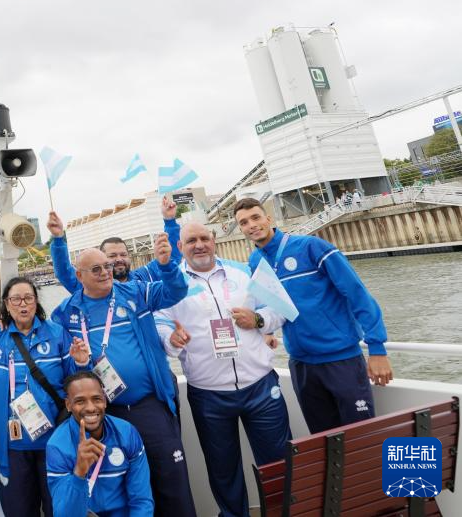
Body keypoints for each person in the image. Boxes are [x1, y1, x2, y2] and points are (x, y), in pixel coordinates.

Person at [153, 222, 291, 517]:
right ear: (180, 247)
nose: (199, 244)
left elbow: (281, 308)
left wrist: (258, 320)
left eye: (204, 238)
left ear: (214, 240)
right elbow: (160, 324)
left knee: (279, 462)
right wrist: (170, 338)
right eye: (192, 240)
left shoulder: (246, 270)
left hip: (261, 386)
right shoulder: (169, 285)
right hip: (209, 395)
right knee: (223, 470)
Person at [50, 242, 196, 517]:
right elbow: (51, 345)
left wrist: (166, 265)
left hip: (148, 405)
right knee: (124, 488)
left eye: (107, 266)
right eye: (96, 269)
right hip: (106, 414)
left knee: (171, 482)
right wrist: (7, 322)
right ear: (80, 276)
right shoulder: (66, 312)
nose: (106, 272)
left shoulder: (135, 292)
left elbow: (176, 290)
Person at [233, 197, 393, 434]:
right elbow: (271, 302)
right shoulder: (256, 260)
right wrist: (268, 331)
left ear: (269, 218)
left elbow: (357, 294)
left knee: (360, 438)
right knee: (322, 439)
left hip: (341, 360)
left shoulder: (311, 247)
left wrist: (377, 348)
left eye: (256, 217)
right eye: (244, 222)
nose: (252, 225)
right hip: (301, 364)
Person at [0, 277, 90, 517]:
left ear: (36, 301)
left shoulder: (57, 334)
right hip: (12, 444)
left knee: (56, 508)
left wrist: (81, 362)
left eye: (28, 298)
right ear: (6, 304)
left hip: (55, 441)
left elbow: (75, 384)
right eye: (16, 299)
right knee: (18, 510)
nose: (23, 304)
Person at [46, 371, 153, 516]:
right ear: (68, 405)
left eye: (96, 399)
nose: (90, 408)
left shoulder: (127, 433)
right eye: (80, 401)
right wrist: (79, 473)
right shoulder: (57, 446)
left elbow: (141, 501)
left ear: (104, 400)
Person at [48, 195, 181, 292]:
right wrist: (58, 238)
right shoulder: (91, 287)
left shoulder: (145, 276)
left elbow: (171, 258)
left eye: (123, 254)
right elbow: (64, 273)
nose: (119, 259)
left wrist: (169, 220)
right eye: (112, 256)